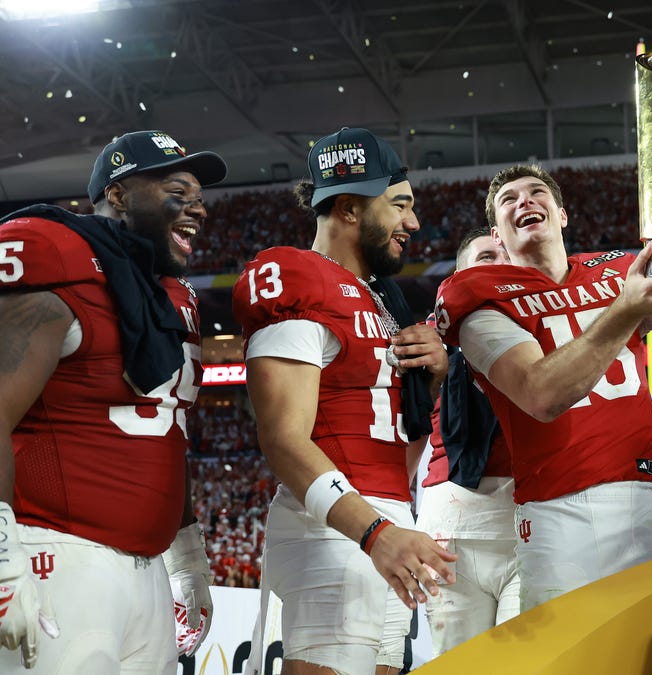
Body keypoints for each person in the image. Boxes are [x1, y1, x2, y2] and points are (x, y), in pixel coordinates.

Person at [434, 91, 652, 611]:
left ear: (562, 215)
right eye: (509, 200)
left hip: (642, 493)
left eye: (536, 193)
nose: (525, 201)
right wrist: (626, 310)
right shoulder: (477, 294)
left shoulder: (615, 271)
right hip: (554, 509)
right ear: (497, 236)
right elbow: (541, 393)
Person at [0, 130, 225, 671]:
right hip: (57, 556)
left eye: (200, 195)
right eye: (178, 189)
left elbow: (164, 429)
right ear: (119, 194)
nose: (197, 207)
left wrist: (186, 555)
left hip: (147, 574)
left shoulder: (171, 295)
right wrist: (3, 557)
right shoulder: (54, 254)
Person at [233, 127, 455, 675]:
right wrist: (374, 531)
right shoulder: (296, 278)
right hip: (337, 527)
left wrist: (431, 380)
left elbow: (401, 437)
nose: (413, 223)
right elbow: (283, 440)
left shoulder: (382, 297)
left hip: (385, 516)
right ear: (351, 209)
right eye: (399, 205)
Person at [415, 228, 519, 657]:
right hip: (450, 532)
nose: (497, 261)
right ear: (458, 274)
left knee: (529, 665)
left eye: (504, 255)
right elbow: (408, 430)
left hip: (532, 525)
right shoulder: (426, 337)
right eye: (485, 255)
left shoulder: (550, 327)